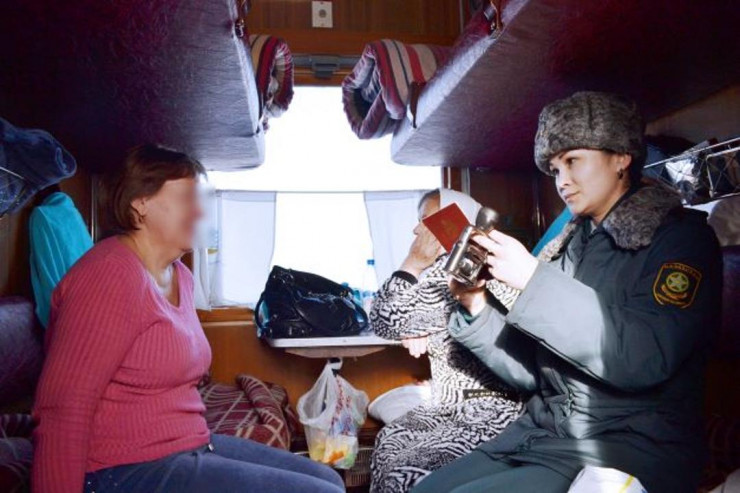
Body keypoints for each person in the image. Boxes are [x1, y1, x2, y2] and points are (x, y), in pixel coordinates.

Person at [413, 92, 723, 493]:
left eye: (573, 161)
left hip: (628, 445)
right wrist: (475, 304)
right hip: (545, 436)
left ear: (621, 157)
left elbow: (644, 357)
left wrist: (533, 279)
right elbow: (532, 375)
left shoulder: (681, 241)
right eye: (555, 168)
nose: (562, 181)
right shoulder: (571, 247)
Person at [32, 144, 345, 493]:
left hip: (187, 443)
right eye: (185, 198)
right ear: (141, 203)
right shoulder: (108, 276)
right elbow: (62, 408)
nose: (199, 211)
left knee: (330, 479)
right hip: (122, 467)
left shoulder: (180, 274)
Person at [369, 188, 523, 493]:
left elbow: (384, 318)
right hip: (457, 405)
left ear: (457, 221)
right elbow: (410, 316)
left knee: (401, 468)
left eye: (426, 220)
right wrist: (417, 326)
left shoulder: (463, 267)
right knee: (389, 442)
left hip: (486, 412)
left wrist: (412, 262)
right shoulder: (465, 264)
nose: (416, 230)